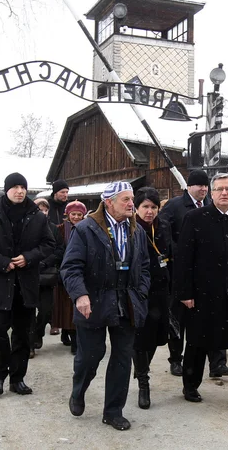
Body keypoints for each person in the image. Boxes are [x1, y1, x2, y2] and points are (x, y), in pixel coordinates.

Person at [61, 181, 150, 431]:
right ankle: (79, 390)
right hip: (95, 300)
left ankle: (113, 411)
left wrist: (141, 293)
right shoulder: (86, 229)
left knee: (123, 358)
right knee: (91, 356)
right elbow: (71, 267)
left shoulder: (137, 231)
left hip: (127, 302)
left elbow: (144, 267)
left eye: (132, 198)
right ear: (108, 203)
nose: (131, 204)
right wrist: (80, 295)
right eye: (125, 199)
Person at [176, 172, 228, 415]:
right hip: (203, 294)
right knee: (197, 343)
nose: (224, 193)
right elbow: (185, 258)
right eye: (219, 189)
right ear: (211, 193)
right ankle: (190, 386)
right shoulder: (195, 218)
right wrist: (185, 292)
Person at [0, 172, 55, 396]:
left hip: (25, 285)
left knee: (22, 332)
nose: (20, 191)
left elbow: (49, 244)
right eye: (15, 187)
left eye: (23, 187)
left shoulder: (37, 216)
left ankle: (17, 378)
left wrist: (29, 257)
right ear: (7, 189)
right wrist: (2, 263)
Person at [159, 169, 228, 378]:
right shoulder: (175, 206)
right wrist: (178, 252)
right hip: (180, 272)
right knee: (178, 318)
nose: (203, 189)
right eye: (199, 185)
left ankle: (217, 363)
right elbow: (163, 233)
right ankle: (175, 359)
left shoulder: (211, 205)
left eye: (205, 185)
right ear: (189, 187)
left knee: (213, 317)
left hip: (208, 274)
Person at [132, 187, 173, 410]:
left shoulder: (164, 226)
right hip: (139, 291)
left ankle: (140, 368)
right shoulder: (130, 228)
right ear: (136, 208)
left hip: (161, 289)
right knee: (141, 337)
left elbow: (170, 254)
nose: (150, 211)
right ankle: (143, 382)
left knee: (158, 337)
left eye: (154, 207)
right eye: (145, 207)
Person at [30, 198, 64, 358]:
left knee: (45, 311)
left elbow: (59, 250)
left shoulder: (53, 228)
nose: (42, 212)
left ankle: (38, 333)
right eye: (39, 209)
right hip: (28, 276)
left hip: (46, 275)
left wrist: (45, 262)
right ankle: (30, 344)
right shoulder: (26, 227)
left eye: (45, 209)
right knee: (28, 312)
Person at [52, 201, 86, 354]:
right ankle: (66, 332)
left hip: (79, 273)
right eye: (74, 214)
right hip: (62, 274)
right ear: (68, 214)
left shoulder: (86, 229)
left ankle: (75, 340)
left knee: (74, 307)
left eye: (79, 214)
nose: (76, 217)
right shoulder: (59, 230)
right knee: (64, 307)